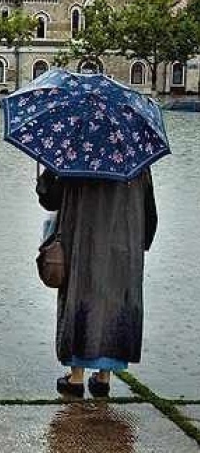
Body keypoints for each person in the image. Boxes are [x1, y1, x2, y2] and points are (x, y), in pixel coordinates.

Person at [36, 167, 157, 398]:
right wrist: (142, 242)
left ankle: (76, 377)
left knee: (80, 296)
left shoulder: (75, 153)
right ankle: (103, 378)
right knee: (114, 302)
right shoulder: (135, 158)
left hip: (81, 239)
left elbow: (50, 199)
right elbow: (149, 211)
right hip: (123, 244)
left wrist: (43, 178)